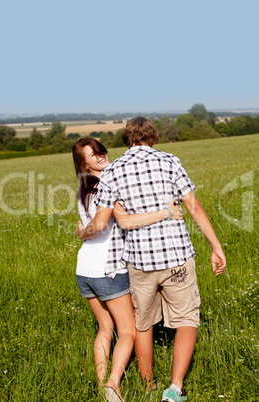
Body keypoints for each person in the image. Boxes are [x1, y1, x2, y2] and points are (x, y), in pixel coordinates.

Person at [78, 118, 227, 402]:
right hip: (177, 257)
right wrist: (215, 245)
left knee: (143, 324)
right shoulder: (170, 161)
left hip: (140, 263)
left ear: (127, 139)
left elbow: (105, 220)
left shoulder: (114, 171)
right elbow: (193, 206)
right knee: (186, 320)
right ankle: (175, 389)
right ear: (153, 137)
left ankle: (148, 386)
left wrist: (82, 233)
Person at [73, 137, 183, 402]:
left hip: (84, 269)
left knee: (104, 328)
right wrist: (165, 213)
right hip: (108, 269)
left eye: (101, 151)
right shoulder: (106, 185)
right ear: (84, 163)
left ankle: (101, 387)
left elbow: (94, 226)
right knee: (128, 332)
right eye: (93, 155)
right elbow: (114, 221)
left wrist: (82, 234)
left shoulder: (83, 188)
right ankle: (113, 383)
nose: (101, 156)